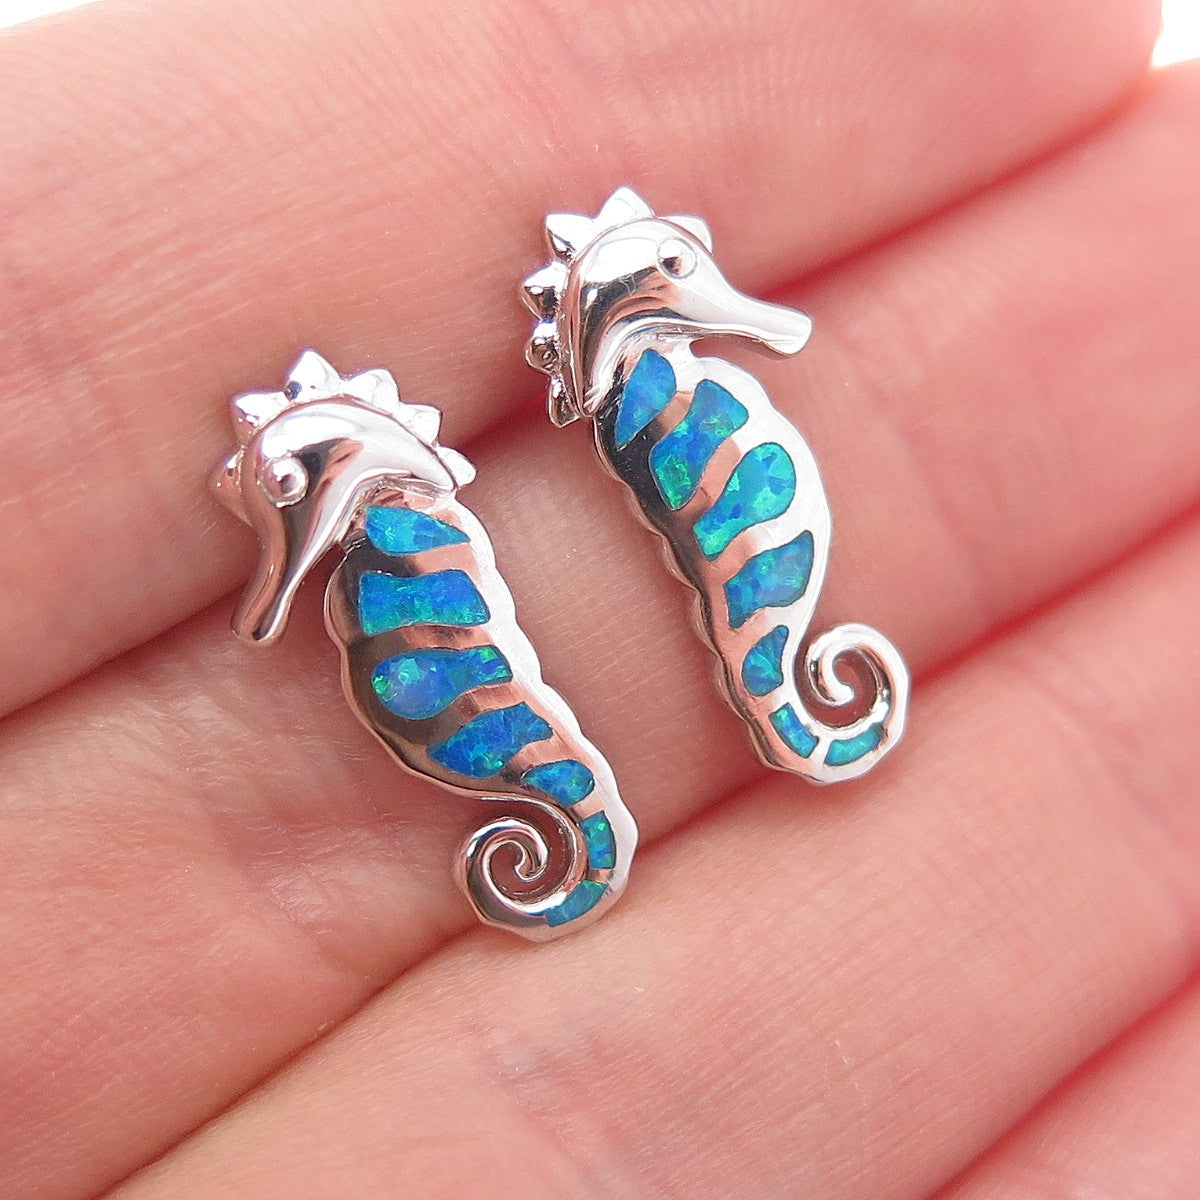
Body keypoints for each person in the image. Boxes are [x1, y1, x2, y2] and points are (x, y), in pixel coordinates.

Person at [1, 0, 1197, 1196]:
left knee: (721, 630)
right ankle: (704, 751)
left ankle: (763, 717)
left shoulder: (631, 414)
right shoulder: (433, 520)